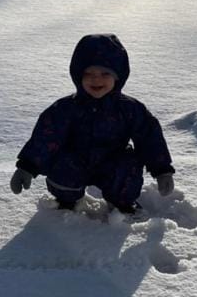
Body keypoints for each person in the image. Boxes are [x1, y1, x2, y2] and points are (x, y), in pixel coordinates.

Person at [10, 33, 174, 215]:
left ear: (118, 76)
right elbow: (46, 137)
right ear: (78, 76)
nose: (96, 79)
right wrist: (27, 167)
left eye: (105, 73)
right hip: (76, 161)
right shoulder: (65, 109)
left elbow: (149, 138)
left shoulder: (129, 109)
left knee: (128, 165)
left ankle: (122, 204)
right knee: (63, 164)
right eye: (89, 73)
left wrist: (162, 170)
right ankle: (67, 202)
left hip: (112, 162)